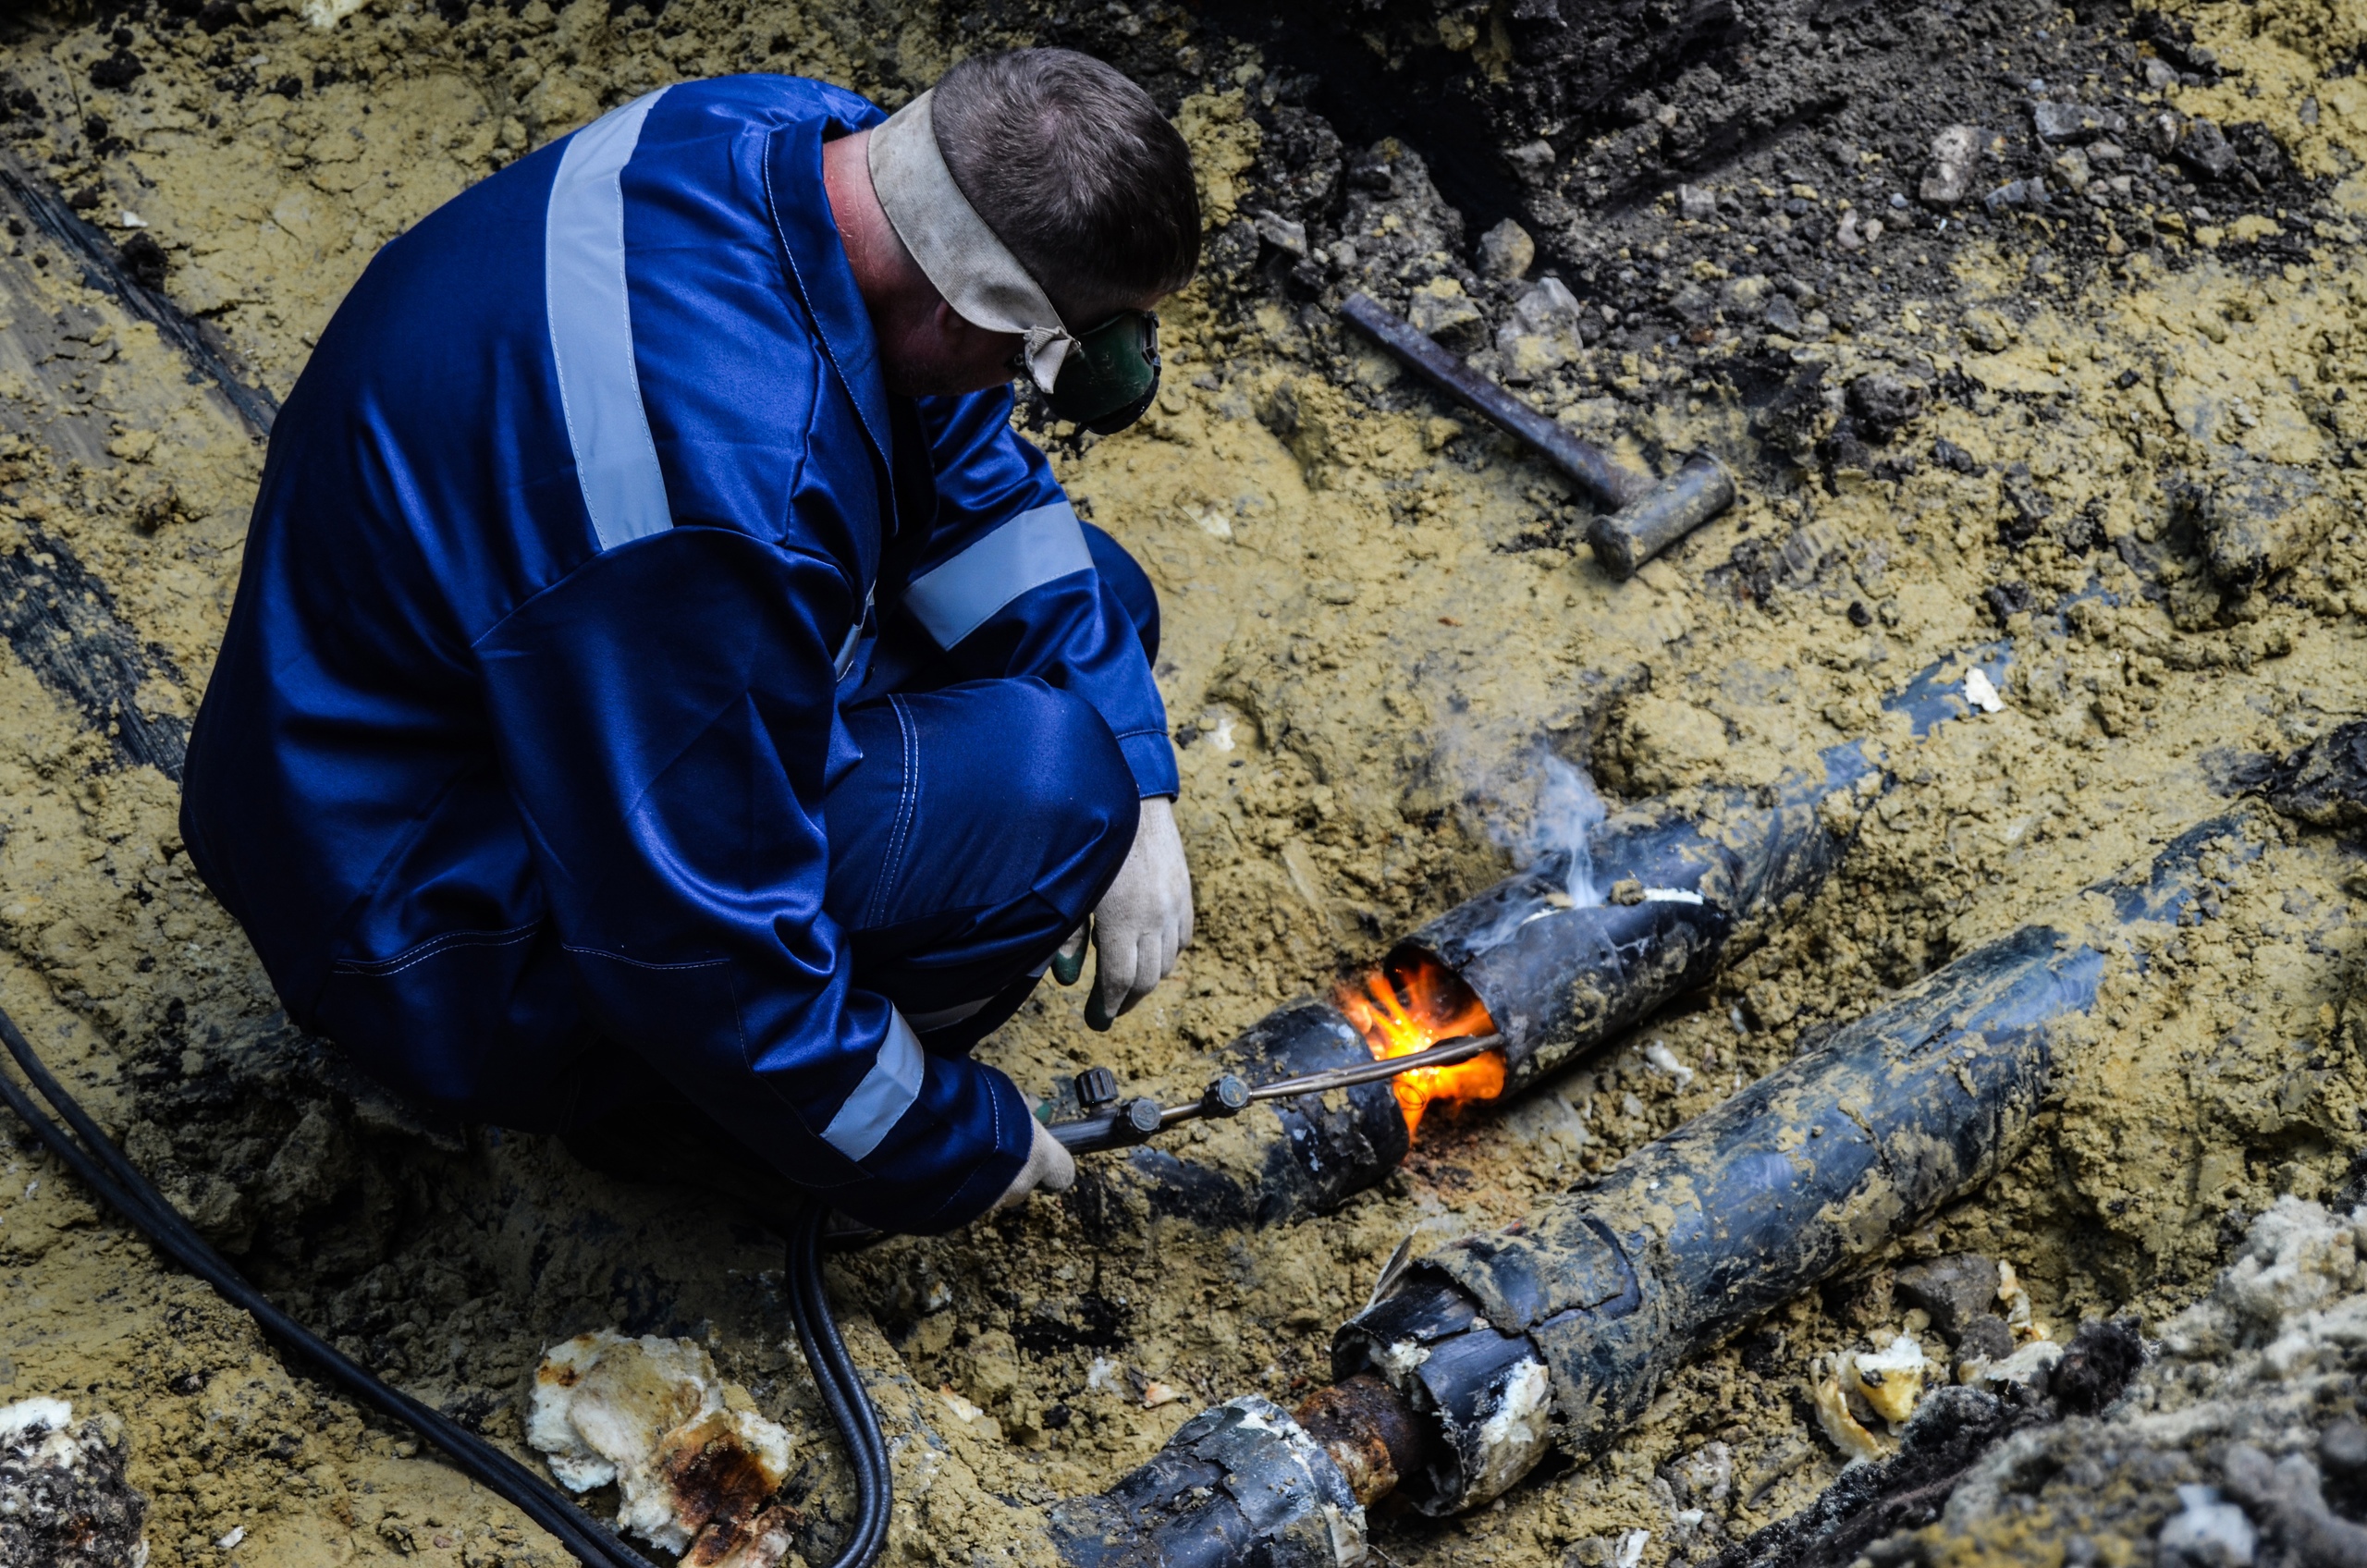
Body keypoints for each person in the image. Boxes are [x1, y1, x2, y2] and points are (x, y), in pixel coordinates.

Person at [178, 51, 1201, 1233]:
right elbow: (700, 937)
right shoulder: (717, 502)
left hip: (461, 706)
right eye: (1050, 361)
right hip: (421, 916)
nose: (1031, 394)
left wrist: (1145, 774)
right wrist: (942, 1137)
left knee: (1098, 616)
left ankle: (809, 1049)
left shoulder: (791, 131)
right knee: (1048, 791)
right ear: (973, 303)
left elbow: (974, 481)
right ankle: (711, 1127)